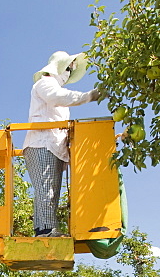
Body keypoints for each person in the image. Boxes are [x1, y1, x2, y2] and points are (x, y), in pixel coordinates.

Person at [23, 51, 103, 237]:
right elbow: (59, 97)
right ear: (58, 66)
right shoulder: (45, 83)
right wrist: (90, 96)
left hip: (54, 147)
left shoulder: (53, 88)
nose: (68, 73)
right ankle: (44, 230)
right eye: (68, 68)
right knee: (46, 188)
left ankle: (47, 228)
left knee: (52, 191)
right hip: (41, 144)